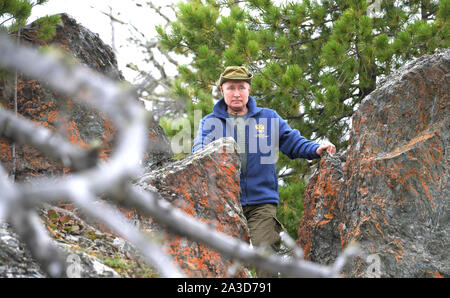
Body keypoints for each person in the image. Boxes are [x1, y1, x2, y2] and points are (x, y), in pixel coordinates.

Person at [192, 66, 336, 277]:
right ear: (222, 91)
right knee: (225, 263)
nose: (236, 93)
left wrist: (315, 149)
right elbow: (199, 150)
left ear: (249, 90)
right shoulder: (209, 122)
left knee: (265, 256)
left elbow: (292, 142)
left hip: (262, 203)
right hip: (225, 203)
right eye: (231, 88)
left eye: (241, 87)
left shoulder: (269, 117)